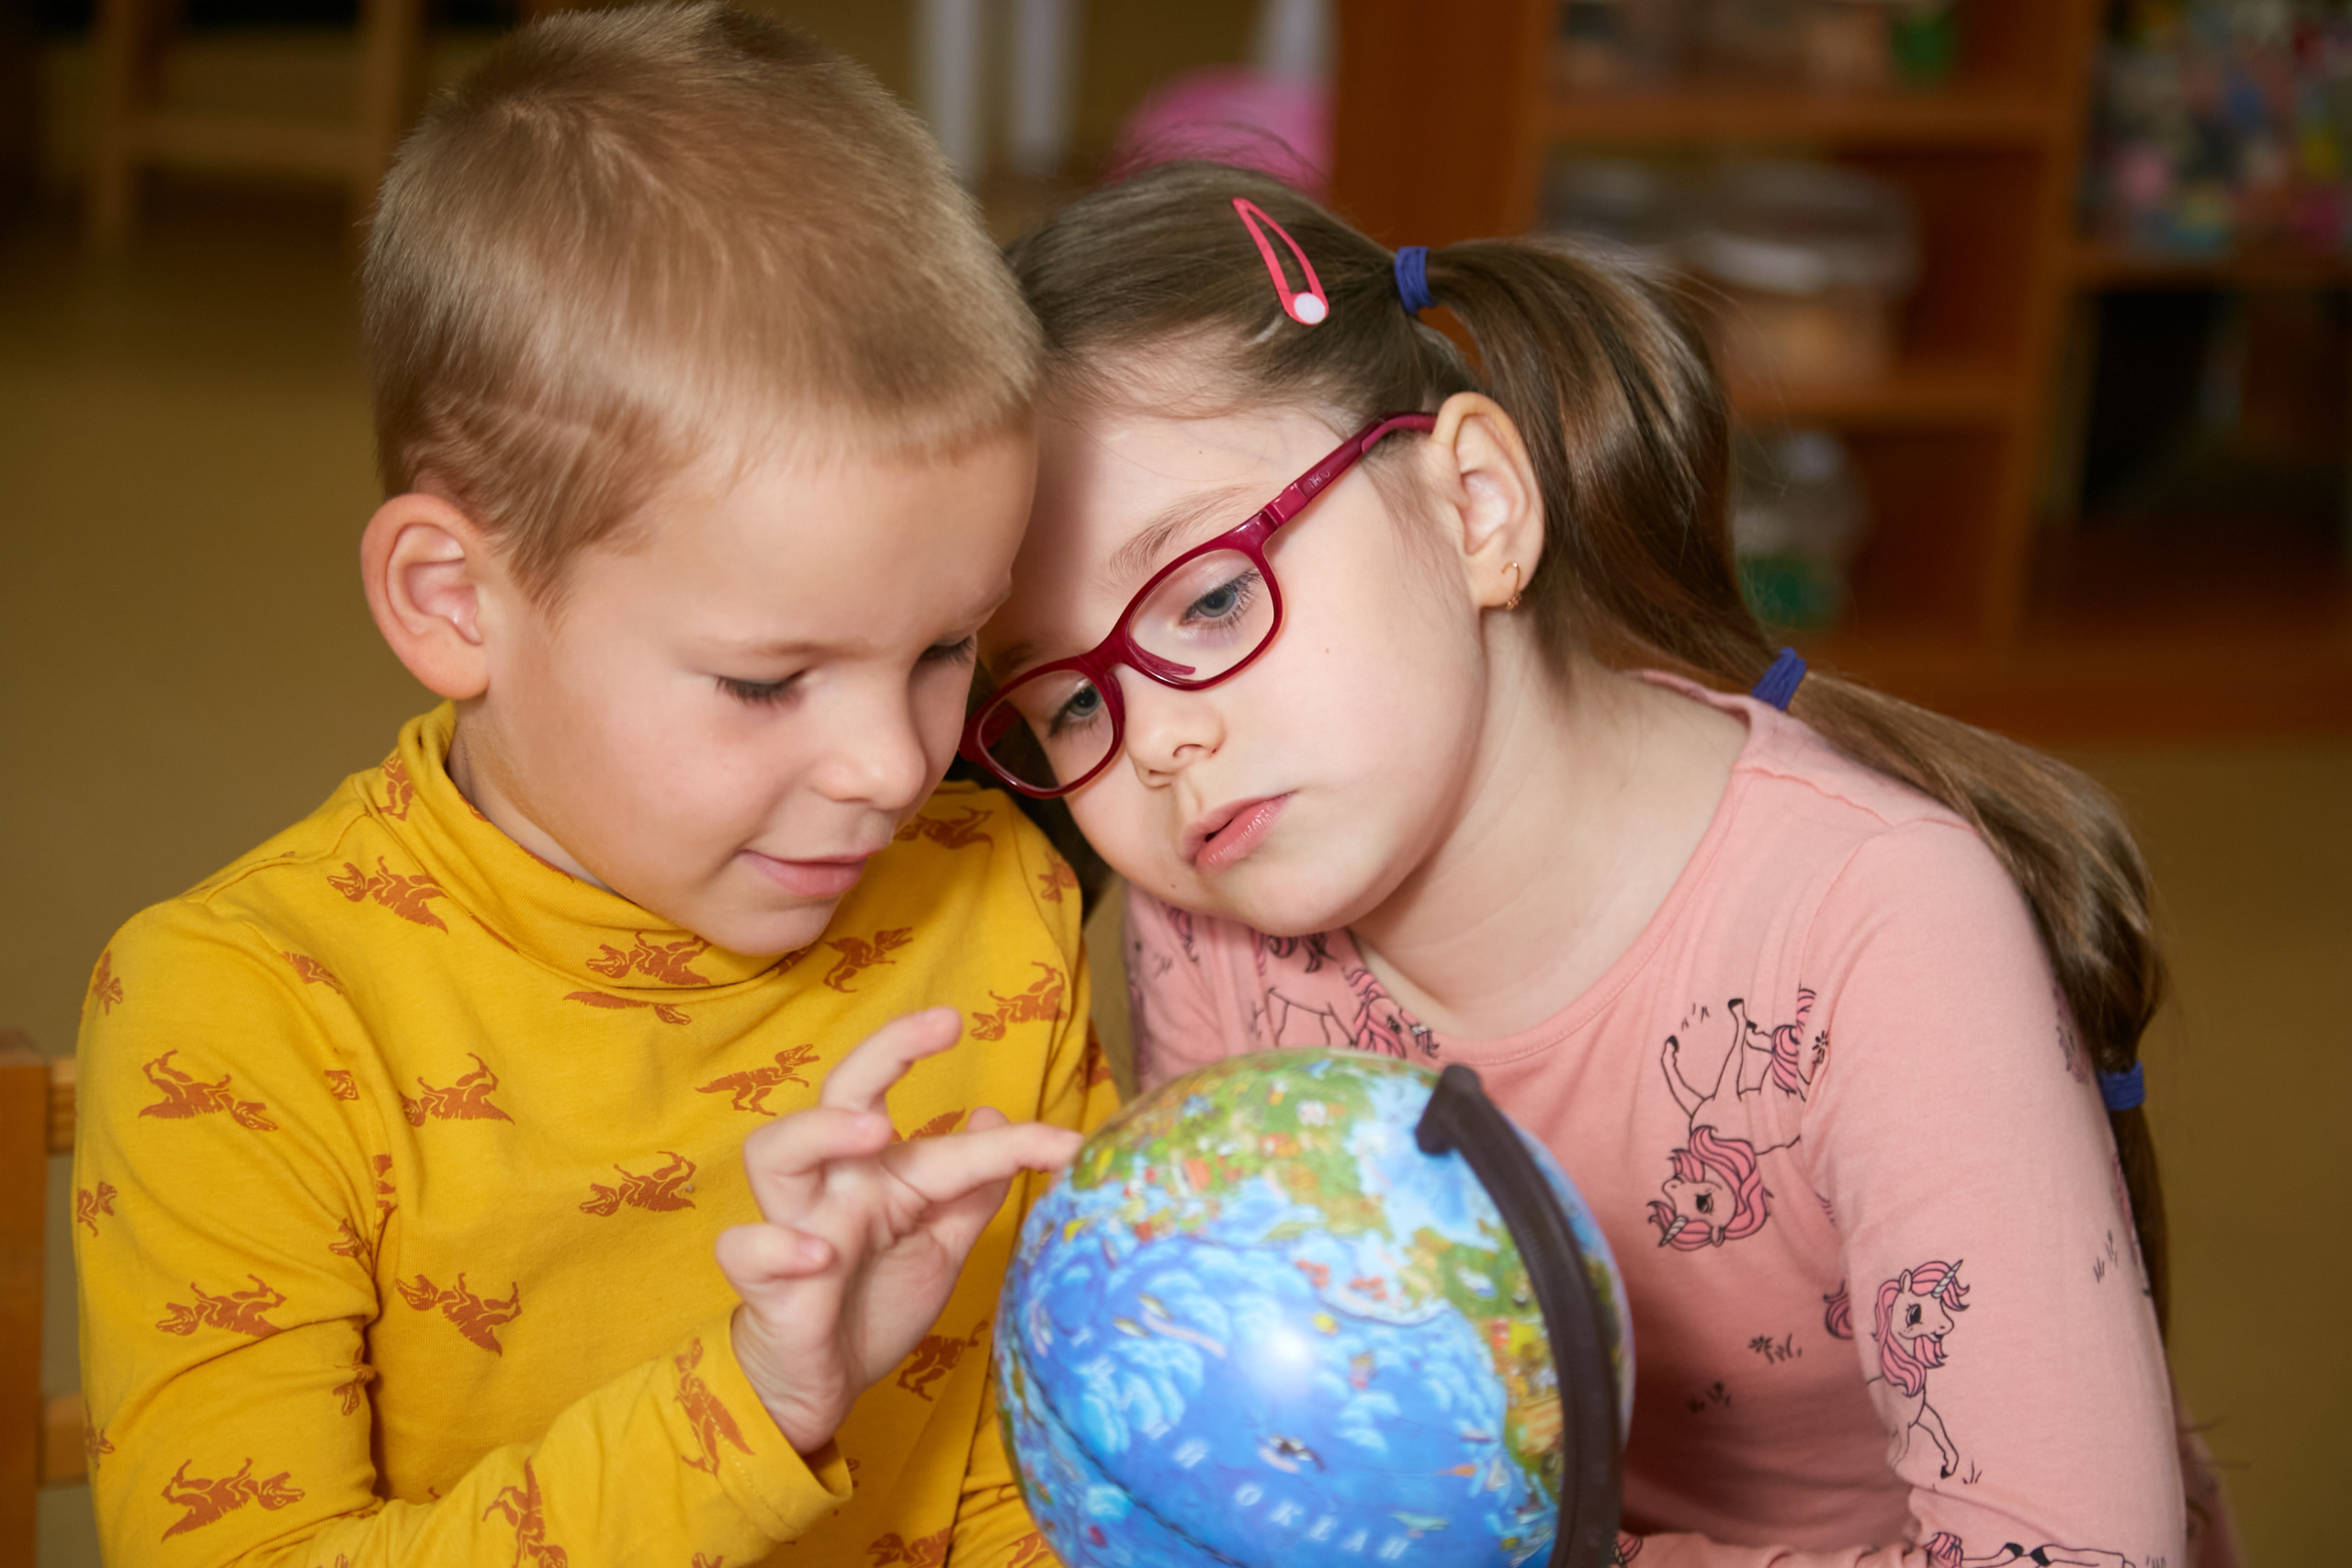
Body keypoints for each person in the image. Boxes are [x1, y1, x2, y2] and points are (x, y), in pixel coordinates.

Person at [968, 165, 2233, 1563]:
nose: (1150, 742)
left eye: (1207, 597)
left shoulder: (1879, 929)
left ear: (1478, 505)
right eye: (1071, 701)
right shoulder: (1202, 911)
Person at [71, 6, 1114, 1563]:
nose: (896, 765)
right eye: (768, 680)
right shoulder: (243, 1017)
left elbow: (1037, 1484)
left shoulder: (997, 899)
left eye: (944, 647)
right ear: (451, 600)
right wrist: (752, 1407)